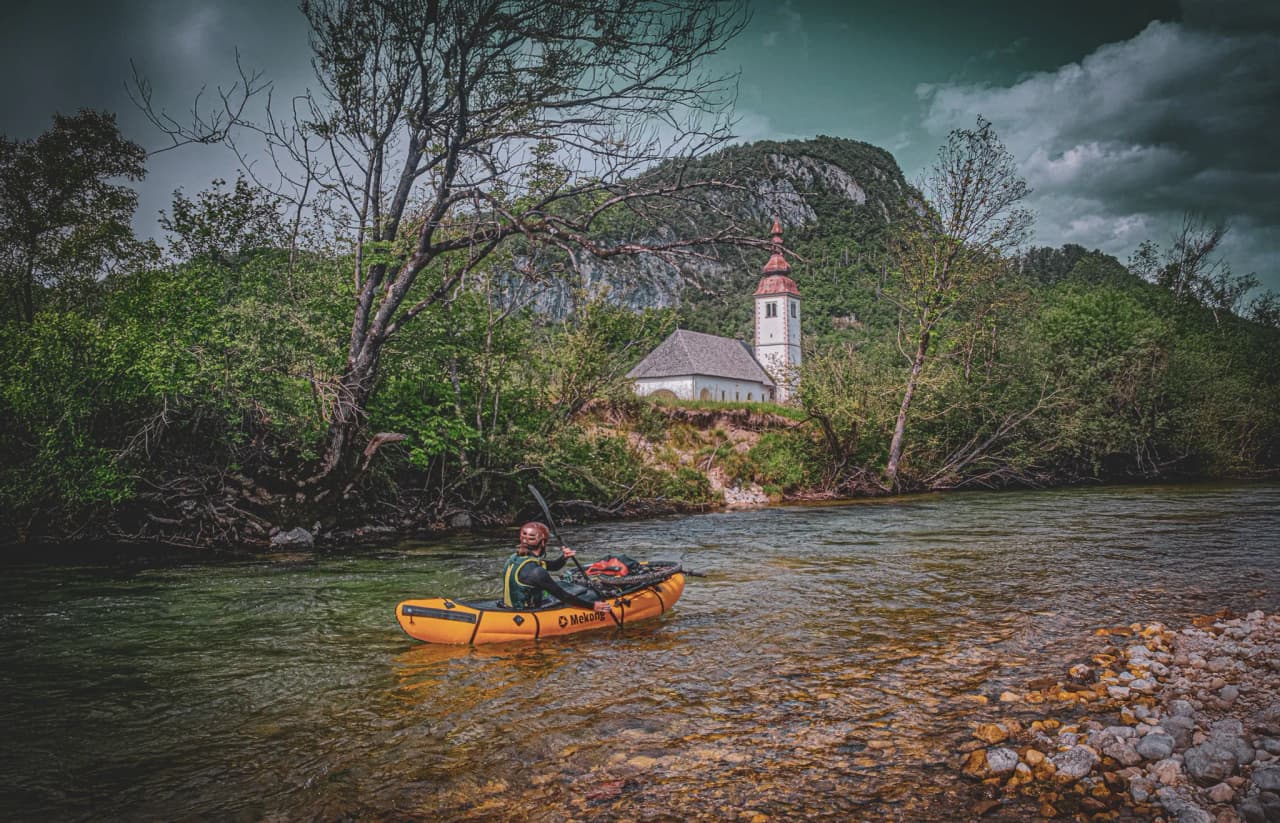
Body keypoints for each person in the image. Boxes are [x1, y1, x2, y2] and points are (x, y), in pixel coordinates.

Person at [501, 521, 613, 613]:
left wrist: (564, 557)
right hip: (526, 613)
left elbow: (553, 566)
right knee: (581, 595)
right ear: (543, 543)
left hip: (510, 607)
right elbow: (563, 596)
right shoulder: (536, 571)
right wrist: (593, 606)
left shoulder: (515, 558)